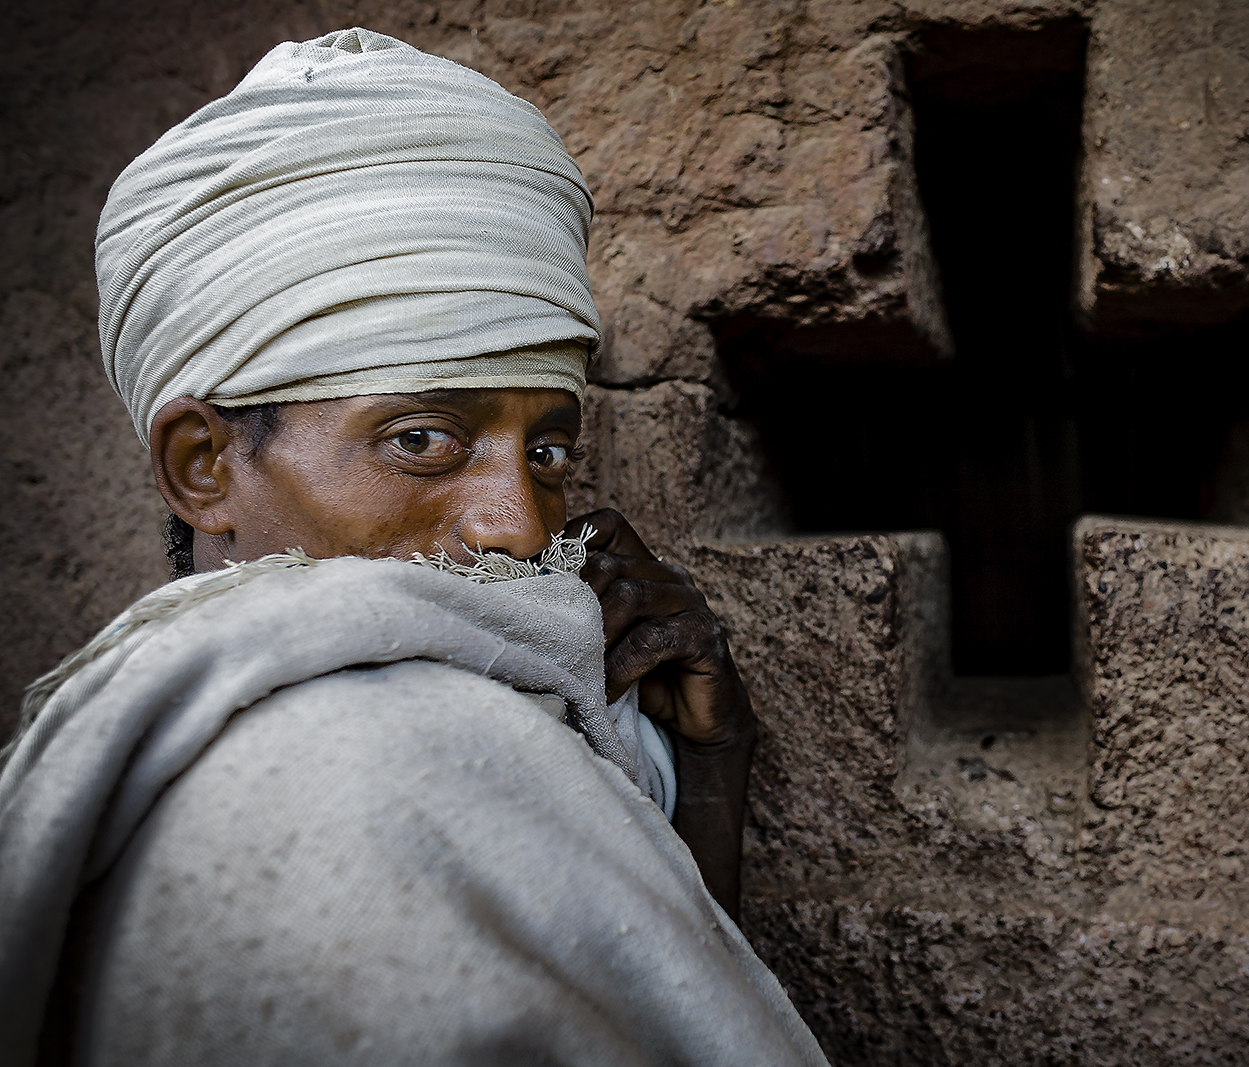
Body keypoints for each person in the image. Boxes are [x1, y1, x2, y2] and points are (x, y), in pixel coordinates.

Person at [0, 27, 827, 1067]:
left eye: (550, 447)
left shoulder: (496, 739)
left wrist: (703, 777)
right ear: (204, 465)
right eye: (422, 439)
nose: (518, 526)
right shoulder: (344, 771)